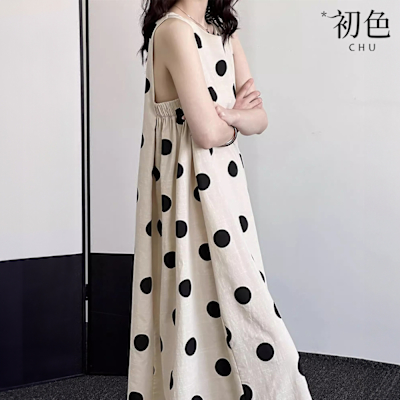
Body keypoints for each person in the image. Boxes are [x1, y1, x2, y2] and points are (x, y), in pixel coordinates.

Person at [127, 1, 313, 399]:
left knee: (237, 305)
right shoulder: (173, 31)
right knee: (195, 312)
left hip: (226, 196)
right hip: (188, 199)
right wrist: (235, 119)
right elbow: (206, 133)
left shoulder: (222, 31)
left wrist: (230, 117)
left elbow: (259, 119)